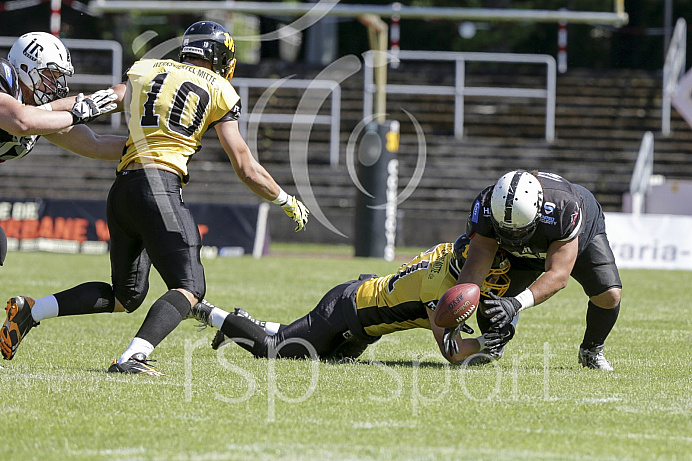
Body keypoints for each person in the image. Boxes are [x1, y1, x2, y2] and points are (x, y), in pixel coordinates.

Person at [0, 21, 309, 375]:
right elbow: (246, 167)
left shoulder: (147, 69)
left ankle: (31, 310)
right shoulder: (221, 89)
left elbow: (98, 114)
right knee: (190, 287)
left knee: (126, 295)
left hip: (123, 190)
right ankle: (134, 356)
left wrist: (57, 112)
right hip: (158, 189)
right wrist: (286, 199)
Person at [188, 236, 515, 364]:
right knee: (274, 351)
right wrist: (490, 343)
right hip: (346, 310)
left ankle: (245, 321)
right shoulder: (437, 287)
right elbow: (453, 352)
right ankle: (208, 312)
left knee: (313, 354)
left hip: (360, 318)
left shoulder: (450, 250)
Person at [456, 170, 622, 370]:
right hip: (518, 252)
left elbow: (558, 275)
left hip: (571, 239)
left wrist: (516, 303)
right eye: (506, 230)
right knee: (491, 294)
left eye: (519, 230)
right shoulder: (485, 205)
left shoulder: (564, 208)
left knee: (609, 294)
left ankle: (592, 350)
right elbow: (475, 270)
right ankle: (493, 345)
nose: (514, 235)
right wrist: (458, 311)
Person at [0, 31, 123, 267]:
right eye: (50, 75)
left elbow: (94, 144)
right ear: (25, 67)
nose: (56, 85)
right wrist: (75, 113)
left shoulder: (38, 111)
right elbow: (21, 121)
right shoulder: (3, 75)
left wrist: (153, 148)